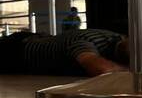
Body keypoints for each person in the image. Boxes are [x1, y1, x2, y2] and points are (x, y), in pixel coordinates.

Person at [0, 28, 128, 76]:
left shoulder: (116, 38)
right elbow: (103, 70)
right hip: (15, 50)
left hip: (33, 40)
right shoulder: (90, 41)